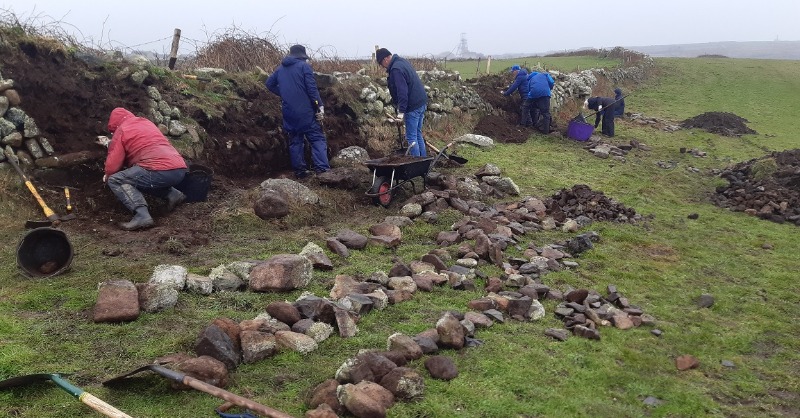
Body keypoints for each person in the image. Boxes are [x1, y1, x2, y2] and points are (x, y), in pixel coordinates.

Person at [103, 107, 188, 231]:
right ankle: (173, 194)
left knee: (116, 180)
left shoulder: (121, 129)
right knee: (138, 177)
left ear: (115, 125)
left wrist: (107, 174)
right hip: (179, 168)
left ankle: (142, 216)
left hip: (158, 169)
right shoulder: (146, 123)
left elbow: (113, 166)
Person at [266, 44, 330, 178]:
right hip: (306, 112)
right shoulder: (304, 67)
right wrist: (319, 106)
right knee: (317, 138)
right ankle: (322, 171)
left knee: (296, 141)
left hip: (289, 112)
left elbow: (269, 84)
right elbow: (312, 89)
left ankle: (300, 172)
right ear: (302, 56)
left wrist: (284, 94)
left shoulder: (280, 69)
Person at [376, 47, 428, 157]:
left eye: (381, 63)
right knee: (417, 133)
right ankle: (424, 162)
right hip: (421, 102)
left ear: (385, 59)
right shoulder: (402, 61)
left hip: (412, 106)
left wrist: (401, 112)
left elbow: (402, 92)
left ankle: (416, 164)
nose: (382, 67)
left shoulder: (396, 69)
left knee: (411, 137)